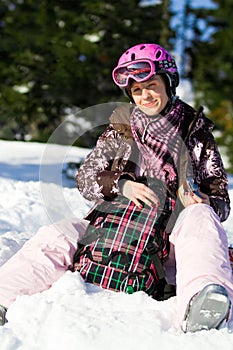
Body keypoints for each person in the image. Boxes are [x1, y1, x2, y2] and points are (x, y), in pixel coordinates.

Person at [0, 43, 232, 333]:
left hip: (170, 235)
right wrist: (122, 185)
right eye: (137, 91)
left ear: (168, 84)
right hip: (113, 226)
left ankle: (203, 302)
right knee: (58, 233)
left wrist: (203, 200)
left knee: (202, 219)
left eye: (151, 85)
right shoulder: (120, 129)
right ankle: (3, 297)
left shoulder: (196, 134)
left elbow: (221, 197)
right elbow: (86, 177)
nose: (145, 95)